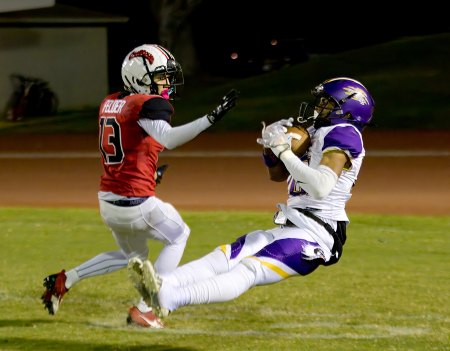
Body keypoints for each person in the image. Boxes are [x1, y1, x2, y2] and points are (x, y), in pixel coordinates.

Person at [127, 77, 375, 319]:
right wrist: (271, 149)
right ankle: (158, 287)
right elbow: (277, 175)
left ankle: (169, 298)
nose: (319, 107)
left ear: (349, 111)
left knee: (251, 269)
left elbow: (321, 187)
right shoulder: (314, 131)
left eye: (328, 103)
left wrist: (285, 152)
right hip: (295, 224)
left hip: (318, 233)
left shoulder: (345, 133)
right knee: (227, 254)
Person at [41, 44, 239, 328]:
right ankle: (148, 307)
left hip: (109, 201)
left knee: (132, 256)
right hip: (135, 203)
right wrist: (210, 118)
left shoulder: (111, 102)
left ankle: (65, 279)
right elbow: (168, 138)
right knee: (179, 235)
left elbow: (129, 147)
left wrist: (149, 173)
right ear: (140, 77)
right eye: (161, 76)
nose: (167, 83)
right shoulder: (146, 104)